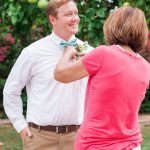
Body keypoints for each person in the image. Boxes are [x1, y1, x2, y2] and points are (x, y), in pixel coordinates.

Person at [54, 6, 150, 150]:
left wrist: (68, 53)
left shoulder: (103, 54)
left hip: (96, 143)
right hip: (132, 144)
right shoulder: (145, 67)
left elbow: (60, 75)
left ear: (113, 26)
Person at [3, 0, 92, 150]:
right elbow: (11, 91)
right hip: (40, 139)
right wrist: (20, 126)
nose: (75, 18)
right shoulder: (32, 53)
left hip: (78, 138)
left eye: (76, 13)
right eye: (69, 14)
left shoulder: (89, 52)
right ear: (53, 19)